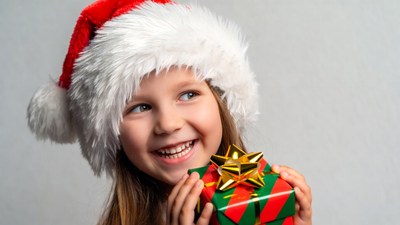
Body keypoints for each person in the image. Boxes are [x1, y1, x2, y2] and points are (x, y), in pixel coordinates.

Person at [27, 0, 312, 224]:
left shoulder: (258, 196)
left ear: (220, 101)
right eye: (140, 107)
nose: (168, 123)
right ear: (113, 134)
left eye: (188, 94)